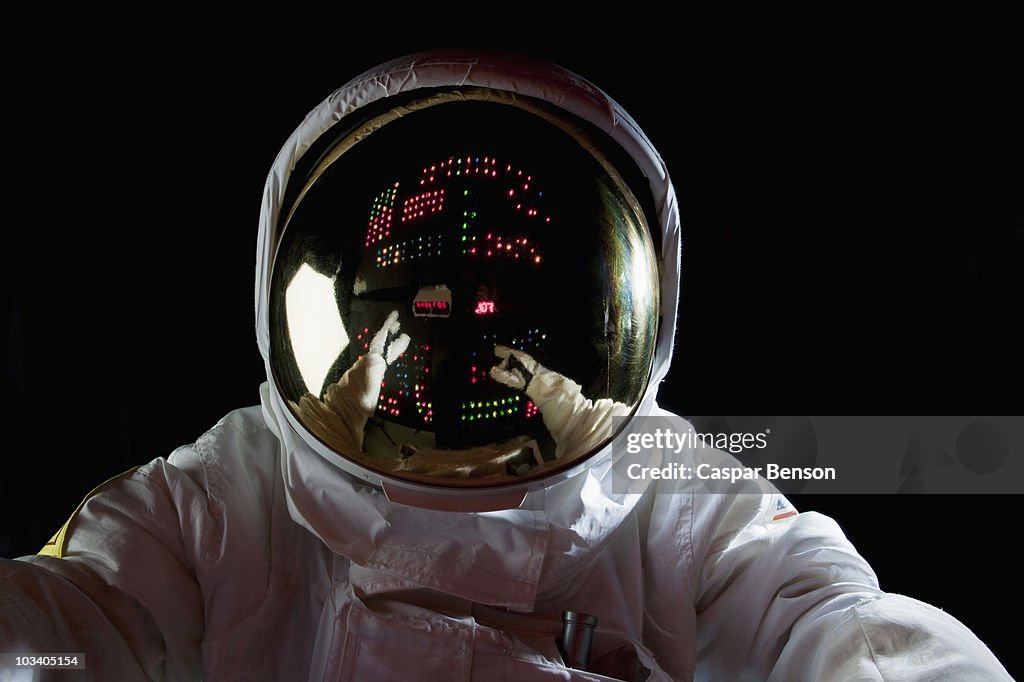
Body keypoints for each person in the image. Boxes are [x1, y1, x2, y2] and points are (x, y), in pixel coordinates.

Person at [0, 49, 1013, 681]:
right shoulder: (228, 496)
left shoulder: (671, 495)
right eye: (423, 331)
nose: (454, 367)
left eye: (489, 336)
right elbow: (72, 626)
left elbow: (834, 628)